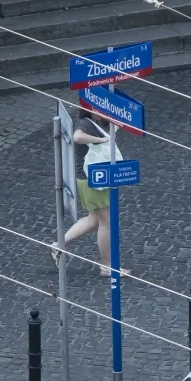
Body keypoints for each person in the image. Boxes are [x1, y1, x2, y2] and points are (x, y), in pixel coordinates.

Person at [51, 109, 130, 278]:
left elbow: (109, 137)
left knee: (94, 219)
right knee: (106, 222)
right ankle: (107, 266)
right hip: (91, 180)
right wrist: (101, 139)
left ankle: (58, 245)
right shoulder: (85, 123)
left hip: (95, 178)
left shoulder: (99, 121)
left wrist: (114, 128)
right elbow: (77, 137)